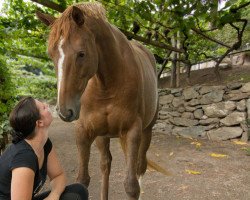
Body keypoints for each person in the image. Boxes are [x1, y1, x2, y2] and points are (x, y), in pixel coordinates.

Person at [0, 97, 88, 200]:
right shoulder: (24, 158)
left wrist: (54, 196)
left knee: (78, 191)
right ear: (39, 123)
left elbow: (58, 176)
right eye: (43, 107)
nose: (47, 105)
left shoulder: (44, 144)